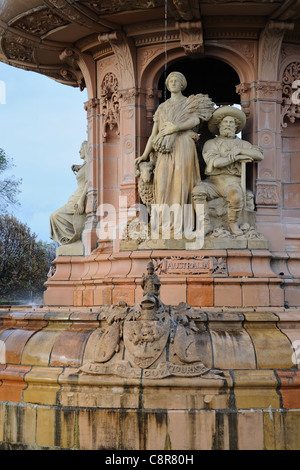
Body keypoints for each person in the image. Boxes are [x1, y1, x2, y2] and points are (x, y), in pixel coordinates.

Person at [135, 71, 214, 237]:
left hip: (183, 145)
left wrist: (176, 128)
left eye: (177, 80)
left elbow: (196, 120)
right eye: (170, 80)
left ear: (182, 84)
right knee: (161, 183)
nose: (173, 83)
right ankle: (162, 226)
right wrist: (144, 155)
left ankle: (182, 226)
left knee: (181, 183)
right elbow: (153, 135)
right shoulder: (162, 107)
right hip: (164, 149)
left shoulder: (189, 103)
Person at [192, 106, 264, 236]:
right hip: (213, 182)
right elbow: (215, 162)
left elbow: (259, 155)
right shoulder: (211, 143)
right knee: (197, 191)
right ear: (219, 125)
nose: (228, 125)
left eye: (231, 123)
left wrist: (240, 151)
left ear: (236, 126)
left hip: (232, 182)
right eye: (225, 122)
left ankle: (233, 223)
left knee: (236, 196)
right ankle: (206, 224)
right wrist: (236, 158)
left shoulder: (242, 144)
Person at [50, 141, 89, 245]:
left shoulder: (91, 164)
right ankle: (71, 240)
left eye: (81, 149)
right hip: (76, 196)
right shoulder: (86, 165)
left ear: (86, 149)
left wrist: (81, 200)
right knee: (54, 216)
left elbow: (90, 182)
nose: (79, 151)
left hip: (80, 197)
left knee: (55, 216)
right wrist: (79, 167)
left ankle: (72, 239)